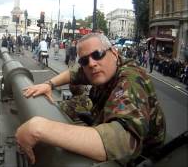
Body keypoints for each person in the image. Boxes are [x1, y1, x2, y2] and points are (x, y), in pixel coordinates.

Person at [16, 33, 166, 165]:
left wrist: (41, 128)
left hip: (145, 157)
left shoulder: (131, 79)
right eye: (84, 61)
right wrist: (49, 84)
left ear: (114, 52)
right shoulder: (102, 69)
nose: (92, 64)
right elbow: (75, 73)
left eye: (98, 54)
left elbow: (123, 142)